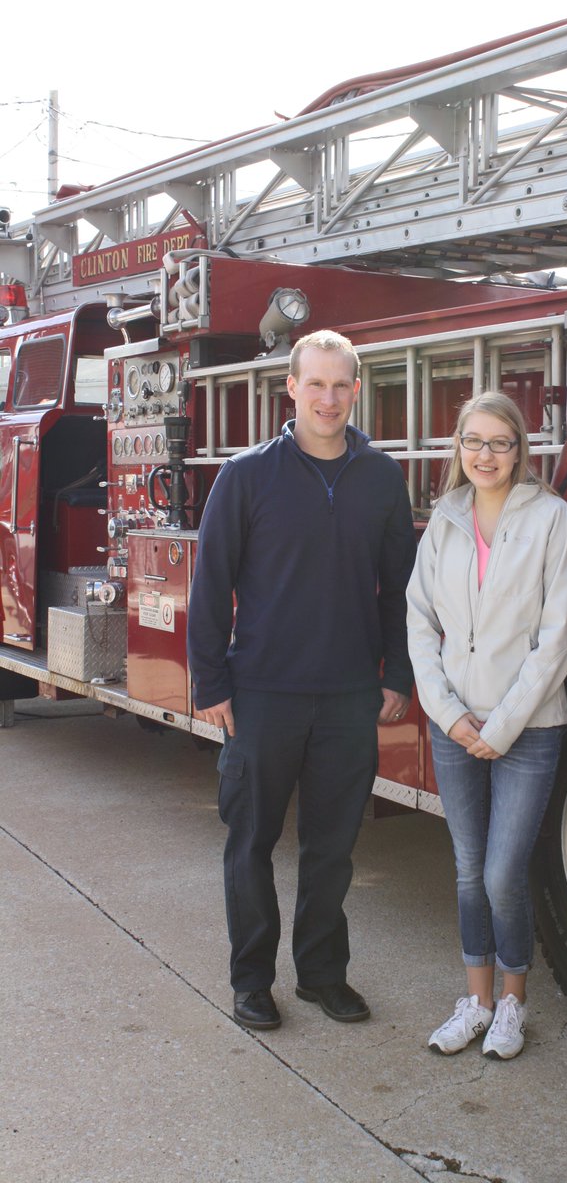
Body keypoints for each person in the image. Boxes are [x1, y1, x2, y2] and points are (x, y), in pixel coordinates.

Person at [187, 329, 416, 1031]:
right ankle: (252, 981)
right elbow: (209, 583)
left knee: (331, 849)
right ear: (290, 388)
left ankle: (322, 975)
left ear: (356, 390)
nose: (327, 397)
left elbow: (399, 589)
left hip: (349, 696)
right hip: (262, 695)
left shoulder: (381, 478)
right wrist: (211, 684)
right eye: (314, 383)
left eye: (340, 384)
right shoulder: (247, 475)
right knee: (250, 844)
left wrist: (397, 672)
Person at [406, 391, 567, 1060]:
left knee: (503, 873)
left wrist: (501, 726)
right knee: (467, 870)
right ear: (458, 447)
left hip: (529, 729)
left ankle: (513, 1002)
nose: (485, 455)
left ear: (519, 450)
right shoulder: (444, 519)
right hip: (455, 726)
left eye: (499, 443)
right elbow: (419, 621)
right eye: (473, 441)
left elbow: (558, 636)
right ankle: (475, 1002)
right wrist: (450, 715)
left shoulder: (551, 519)